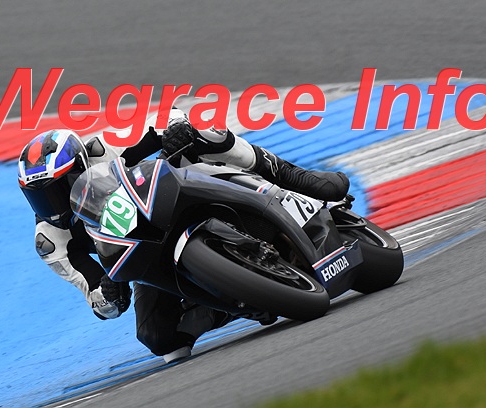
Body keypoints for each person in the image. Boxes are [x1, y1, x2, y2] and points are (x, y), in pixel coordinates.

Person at [18, 108, 349, 362]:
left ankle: (292, 177)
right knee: (158, 338)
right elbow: (96, 300)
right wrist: (109, 293)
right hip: (142, 248)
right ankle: (229, 300)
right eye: (42, 196)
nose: (54, 202)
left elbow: (165, 118)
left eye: (60, 186)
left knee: (202, 134)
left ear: (82, 163)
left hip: (171, 193)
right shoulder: (51, 242)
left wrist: (176, 130)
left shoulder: (103, 147)